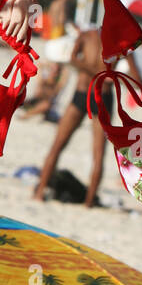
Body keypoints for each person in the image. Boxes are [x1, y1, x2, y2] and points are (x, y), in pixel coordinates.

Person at [32, 29, 112, 208]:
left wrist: (89, 68)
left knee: (57, 145)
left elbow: (72, 58)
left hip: (82, 92)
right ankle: (89, 202)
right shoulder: (120, 40)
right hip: (102, 95)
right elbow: (134, 74)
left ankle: (39, 193)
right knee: (98, 154)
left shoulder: (87, 36)